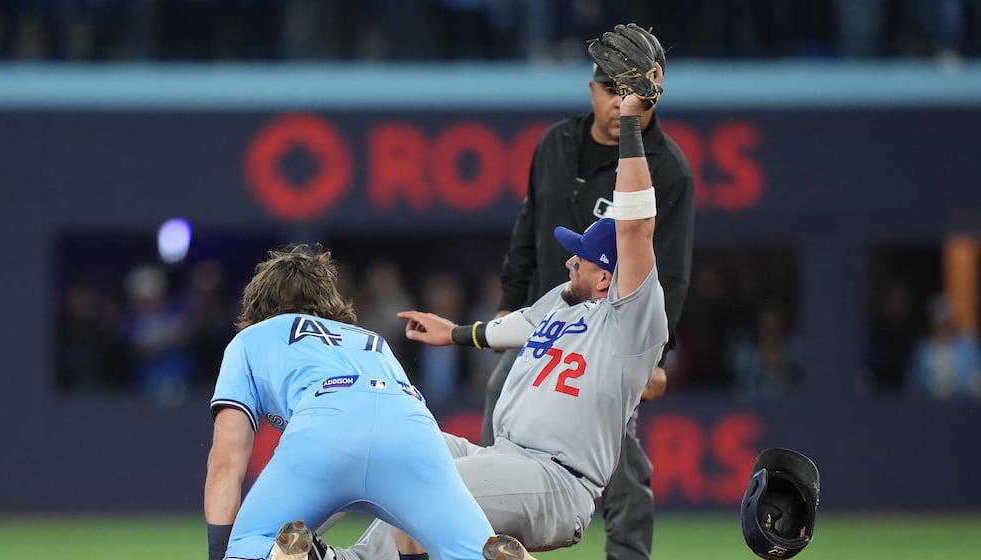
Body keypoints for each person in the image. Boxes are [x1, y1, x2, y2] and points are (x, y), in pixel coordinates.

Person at [329, 87, 668, 560]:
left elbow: (637, 228)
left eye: (584, 258)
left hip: (555, 478)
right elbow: (516, 327)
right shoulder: (563, 303)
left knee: (425, 495)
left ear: (607, 277)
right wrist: (453, 334)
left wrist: (631, 124)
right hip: (501, 457)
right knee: (384, 443)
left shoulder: (631, 323)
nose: (571, 262)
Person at [483, 25, 694, 560]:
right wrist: (509, 303)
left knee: (620, 468)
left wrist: (651, 352)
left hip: (607, 339)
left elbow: (668, 269)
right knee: (497, 416)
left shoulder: (664, 169)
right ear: (594, 89)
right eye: (608, 90)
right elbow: (527, 228)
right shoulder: (554, 143)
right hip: (542, 324)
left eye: (627, 94)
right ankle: (488, 539)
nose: (617, 102)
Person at [203, 244, 535, 560]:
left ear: (257, 303)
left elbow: (225, 464)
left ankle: (277, 554)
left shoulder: (250, 339)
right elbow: (410, 529)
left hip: (325, 429)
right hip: (413, 432)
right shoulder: (370, 341)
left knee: (250, 545)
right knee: (472, 547)